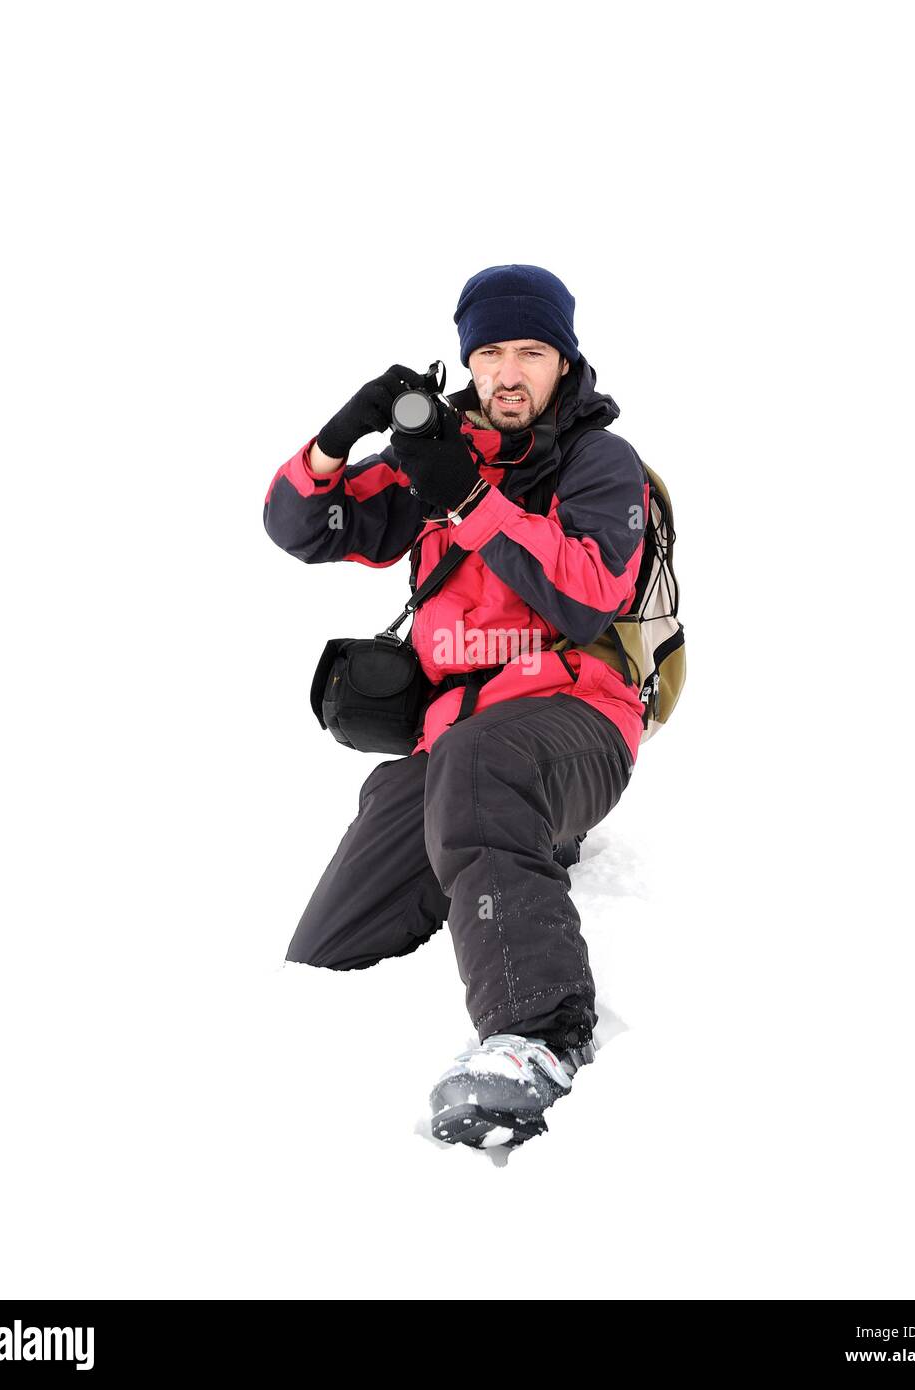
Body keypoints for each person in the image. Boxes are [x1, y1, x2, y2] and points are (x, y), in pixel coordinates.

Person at [263, 264, 656, 1149]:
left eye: (529, 352)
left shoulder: (598, 462)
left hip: (578, 722)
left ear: (563, 360)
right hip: (460, 745)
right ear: (467, 366)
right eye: (488, 355)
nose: (507, 373)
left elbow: (586, 595)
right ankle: (507, 848)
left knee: (482, 764)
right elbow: (298, 527)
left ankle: (539, 1035)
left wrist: (471, 502)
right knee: (330, 941)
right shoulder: (439, 460)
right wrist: (341, 435)